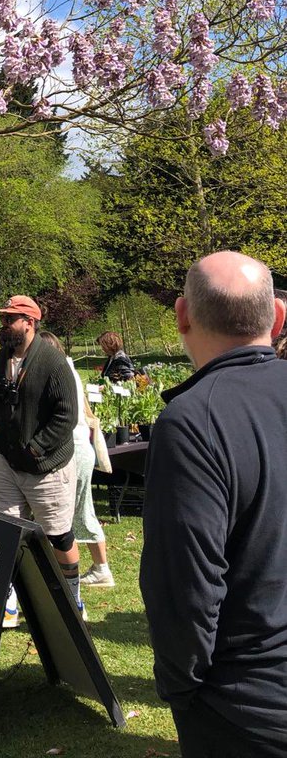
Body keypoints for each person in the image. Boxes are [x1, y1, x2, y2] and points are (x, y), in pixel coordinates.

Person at [140, 252, 287, 758]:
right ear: (278, 318)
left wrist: (180, 687)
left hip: (245, 707)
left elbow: (185, 587)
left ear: (182, 314)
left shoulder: (191, 422)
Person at [0, 296, 82, 627]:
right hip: (7, 464)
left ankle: (71, 598)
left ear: (30, 322)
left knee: (58, 535)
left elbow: (66, 416)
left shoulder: (53, 362)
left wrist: (36, 449)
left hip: (47, 468)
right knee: (6, 533)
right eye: (4, 318)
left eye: (11, 319)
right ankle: (7, 602)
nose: (4, 324)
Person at [43, 332, 115, 590]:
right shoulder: (69, 370)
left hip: (72, 450)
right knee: (80, 511)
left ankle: (89, 571)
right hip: (79, 448)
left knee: (70, 514)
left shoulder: (57, 373)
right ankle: (99, 568)